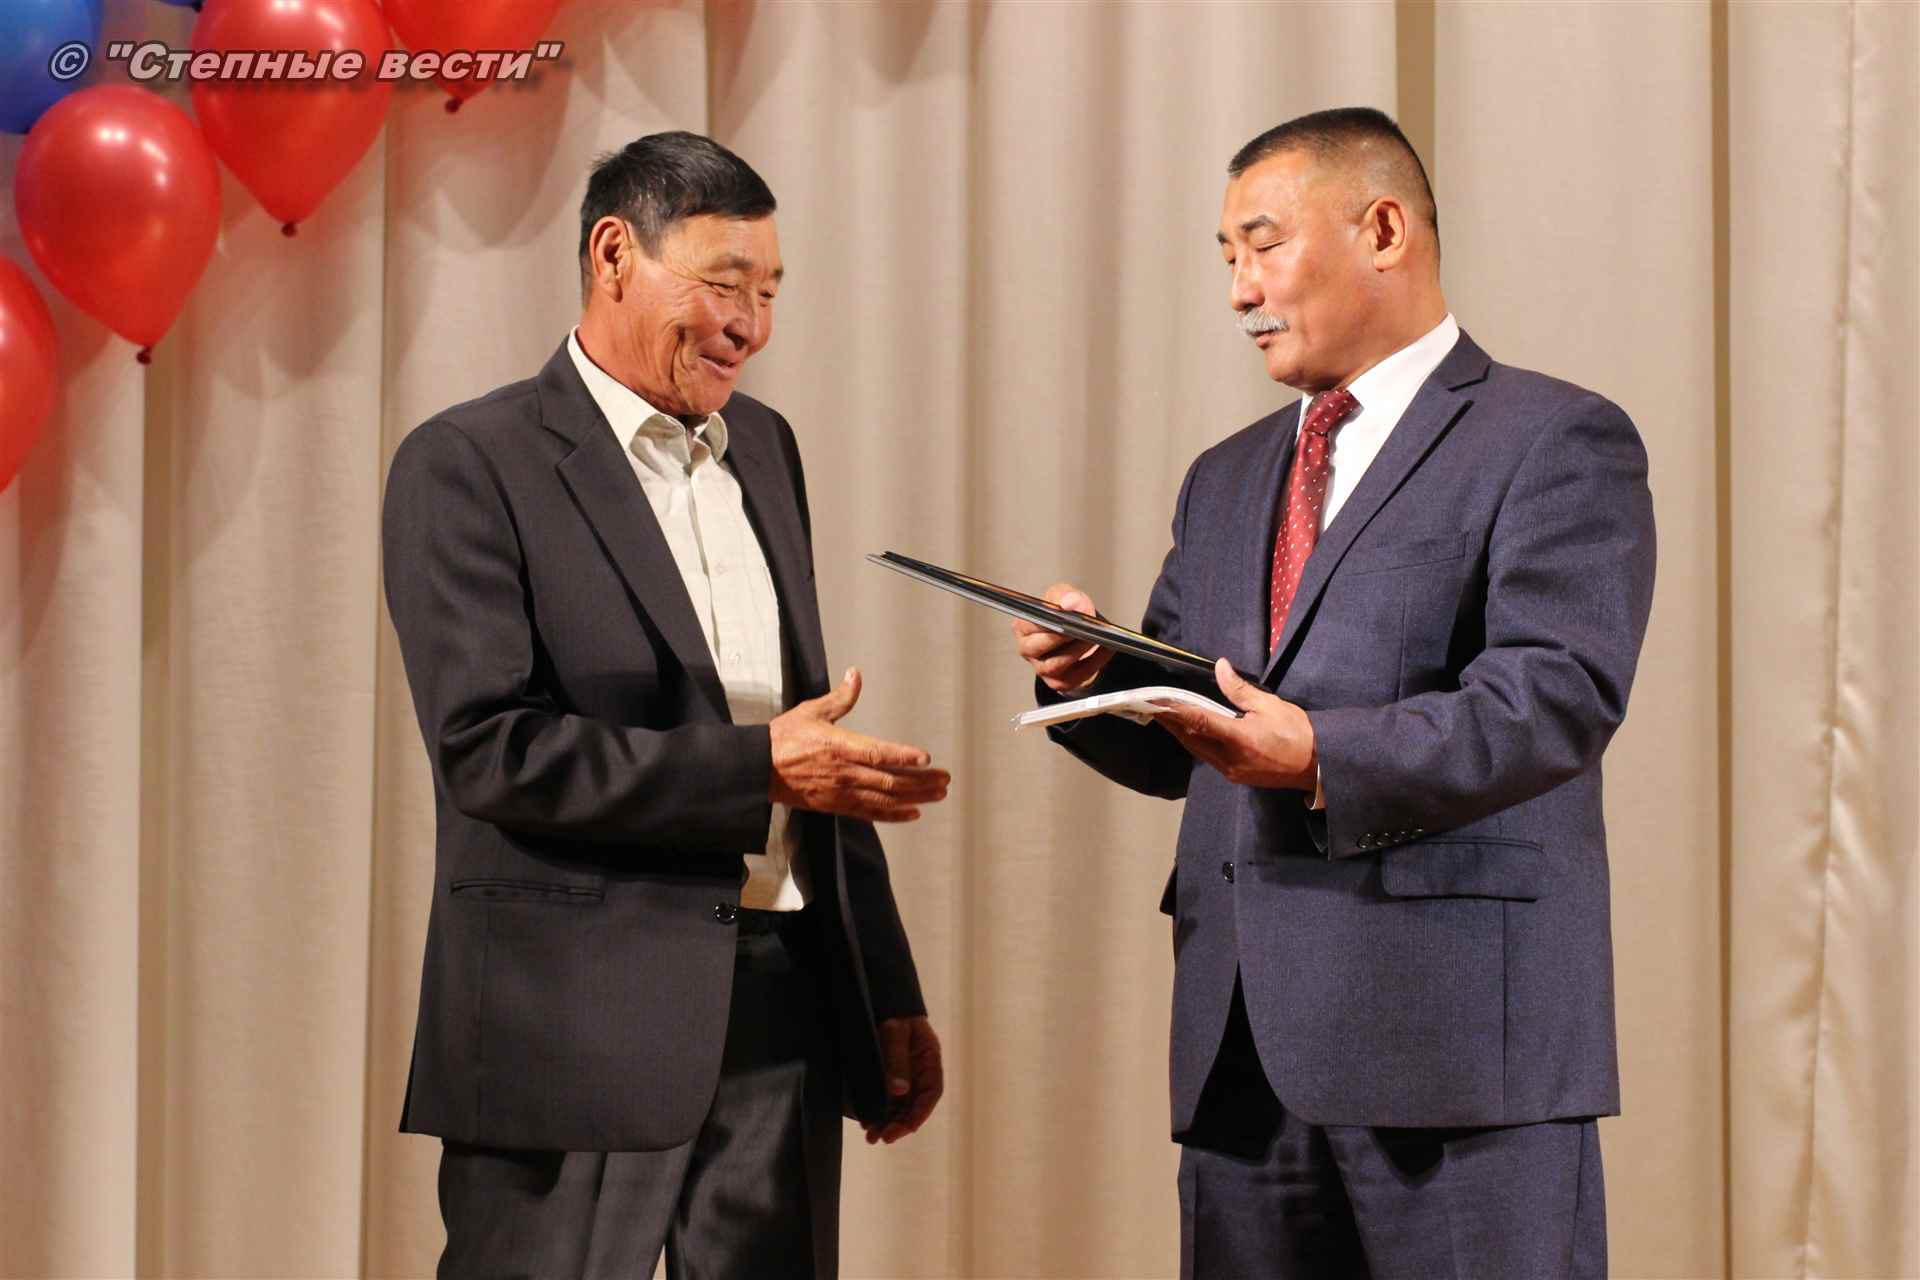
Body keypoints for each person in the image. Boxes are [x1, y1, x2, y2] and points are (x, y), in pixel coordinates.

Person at [1013, 107, 1654, 1278]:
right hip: (1243, 1062)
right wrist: (1100, 670)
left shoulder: (1554, 437)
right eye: (1226, 257)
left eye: (1263, 245)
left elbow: (1554, 694)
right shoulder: (1224, 476)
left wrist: (1321, 754)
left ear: (1384, 229)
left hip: (1461, 1062)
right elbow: (1192, 729)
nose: (1240, 289)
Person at [382, 130, 949, 1279]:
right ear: (612, 255)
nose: (752, 325)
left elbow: (804, 730)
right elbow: (490, 749)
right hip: (569, 1024)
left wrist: (881, 982)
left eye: (771, 292)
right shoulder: (470, 460)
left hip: (781, 1009)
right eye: (725, 285)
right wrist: (759, 769)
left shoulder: (766, 450)